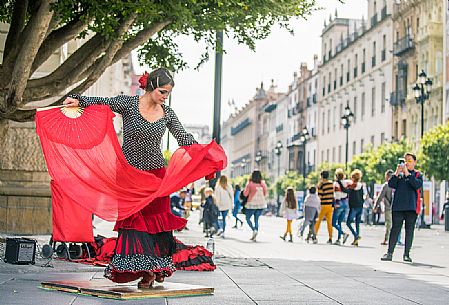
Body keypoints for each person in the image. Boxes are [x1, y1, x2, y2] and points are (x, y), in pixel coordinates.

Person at [63, 68, 199, 288]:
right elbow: (102, 102)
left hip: (156, 178)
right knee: (134, 225)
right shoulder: (128, 104)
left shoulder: (167, 113)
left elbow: (183, 137)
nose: (166, 97)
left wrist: (202, 152)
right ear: (151, 86)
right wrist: (79, 100)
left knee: (156, 225)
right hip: (129, 177)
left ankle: (155, 268)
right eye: (163, 91)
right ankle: (145, 270)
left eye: (168, 93)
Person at [381, 153, 423, 263]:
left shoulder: (417, 175)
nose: (407, 162)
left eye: (409, 160)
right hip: (398, 207)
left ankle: (406, 254)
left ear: (414, 162)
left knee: (409, 231)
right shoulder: (399, 175)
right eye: (405, 160)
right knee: (395, 230)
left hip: (411, 207)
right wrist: (397, 172)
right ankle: (389, 253)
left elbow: (417, 185)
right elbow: (391, 184)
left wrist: (407, 173)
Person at [338, 169, 364, 246]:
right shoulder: (361, 185)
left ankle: (356, 235)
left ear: (353, 178)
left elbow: (345, 190)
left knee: (348, 222)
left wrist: (339, 182)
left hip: (354, 207)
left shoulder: (353, 186)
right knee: (357, 223)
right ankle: (356, 240)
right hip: (360, 206)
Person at [243, 170, 268, 242]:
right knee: (256, 219)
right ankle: (256, 230)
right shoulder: (262, 183)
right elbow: (265, 193)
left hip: (251, 204)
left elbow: (245, 194)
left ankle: (253, 229)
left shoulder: (250, 184)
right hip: (261, 204)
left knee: (248, 218)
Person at [315, 171, 334, 244]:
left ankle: (314, 235)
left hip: (323, 205)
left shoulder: (321, 184)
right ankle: (330, 238)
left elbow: (320, 196)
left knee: (318, 220)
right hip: (330, 205)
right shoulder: (331, 184)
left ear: (322, 176)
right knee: (329, 222)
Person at [375, 170, 394, 245]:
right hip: (397, 208)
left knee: (388, 224)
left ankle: (387, 239)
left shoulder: (386, 185)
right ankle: (396, 239)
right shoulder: (397, 184)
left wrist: (375, 206)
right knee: (395, 224)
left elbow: (380, 196)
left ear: (387, 176)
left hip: (388, 207)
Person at [332, 168, 350, 245]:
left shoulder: (336, 184)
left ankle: (343, 233)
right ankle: (338, 239)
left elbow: (336, 195)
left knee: (333, 222)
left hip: (339, 202)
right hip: (345, 202)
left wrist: (335, 203)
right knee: (339, 222)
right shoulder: (346, 183)